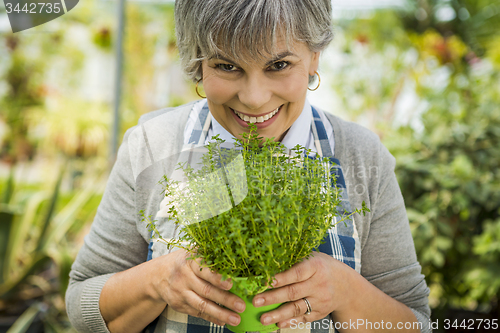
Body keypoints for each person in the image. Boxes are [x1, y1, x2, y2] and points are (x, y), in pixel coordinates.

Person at [66, 1, 431, 332]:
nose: (254, 99)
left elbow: (416, 322)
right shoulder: (153, 144)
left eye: (279, 65)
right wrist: (156, 282)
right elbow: (81, 305)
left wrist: (345, 291)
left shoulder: (361, 156)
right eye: (227, 66)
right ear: (198, 60)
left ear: (315, 56)